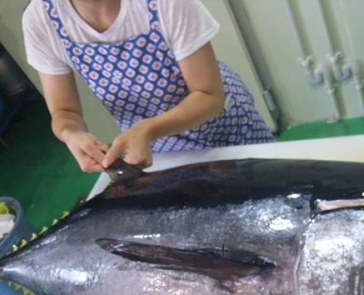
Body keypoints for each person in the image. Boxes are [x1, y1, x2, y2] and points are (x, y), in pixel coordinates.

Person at [22, 0, 274, 172]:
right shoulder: (41, 20)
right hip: (155, 145)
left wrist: (148, 129)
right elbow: (64, 112)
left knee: (267, 185)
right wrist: (72, 134)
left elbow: (208, 95)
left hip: (223, 123)